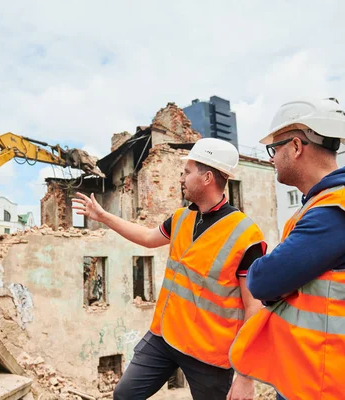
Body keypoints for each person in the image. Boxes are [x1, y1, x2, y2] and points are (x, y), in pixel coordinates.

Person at [72, 138, 267, 400]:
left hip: (209, 354)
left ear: (207, 177)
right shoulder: (181, 218)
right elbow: (148, 237)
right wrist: (103, 215)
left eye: (187, 172)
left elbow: (255, 309)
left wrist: (245, 374)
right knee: (124, 395)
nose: (181, 178)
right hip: (165, 336)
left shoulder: (246, 234)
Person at [229, 98, 345, 400]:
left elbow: (263, 280)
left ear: (295, 147)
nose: (271, 159)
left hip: (329, 380)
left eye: (274, 149)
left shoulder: (337, 209)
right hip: (317, 371)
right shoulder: (326, 205)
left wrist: (265, 273)